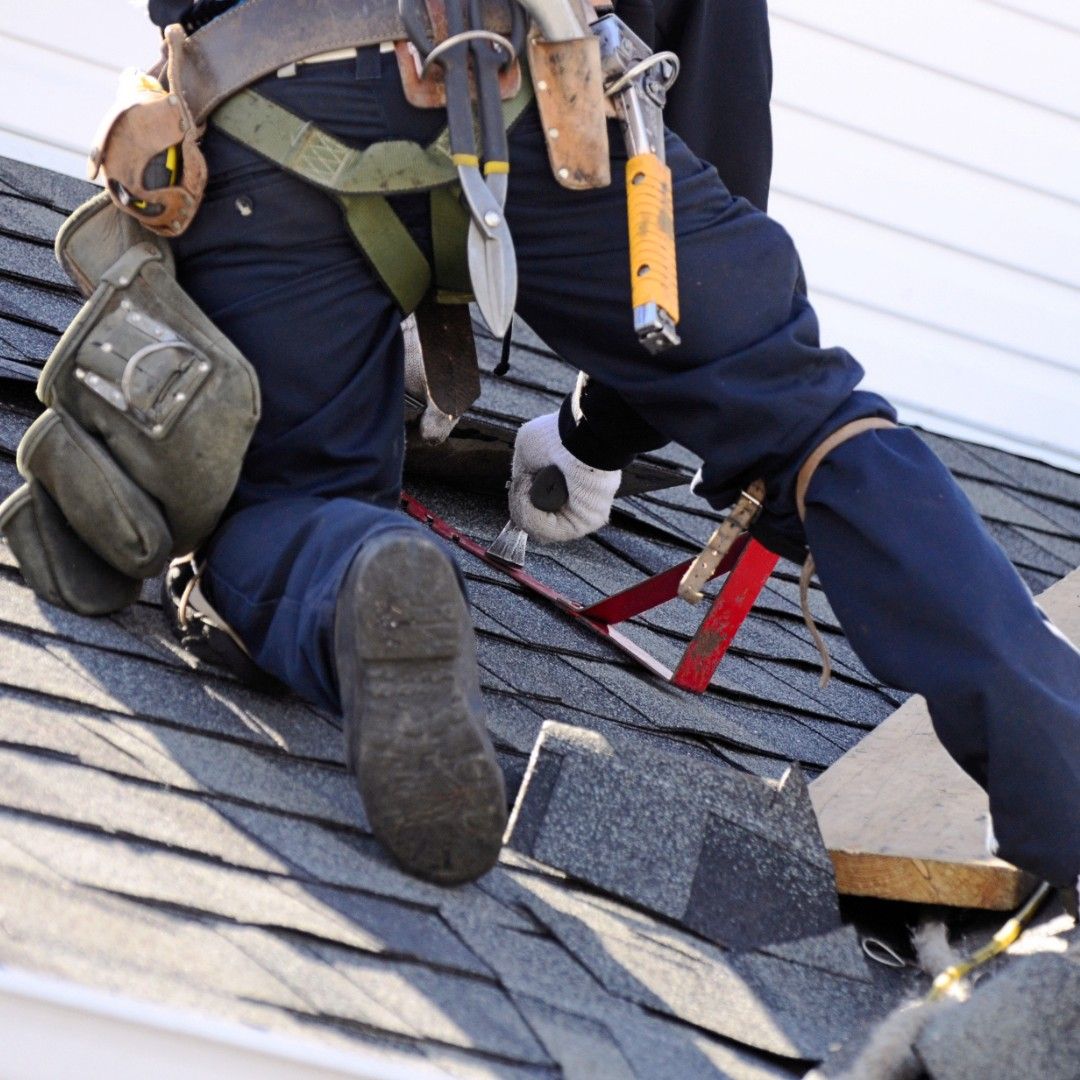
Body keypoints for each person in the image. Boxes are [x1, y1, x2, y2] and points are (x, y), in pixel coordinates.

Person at [67, 0, 1080, 889]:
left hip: (264, 124)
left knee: (279, 500)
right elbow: (712, 88)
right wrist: (605, 432)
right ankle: (1066, 786)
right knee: (818, 428)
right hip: (536, 91)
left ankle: (358, 573)